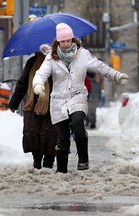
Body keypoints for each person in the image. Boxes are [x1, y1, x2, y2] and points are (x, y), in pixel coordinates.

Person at [33, 23, 129, 173]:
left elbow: (100, 67)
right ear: (58, 42)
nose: (65, 44)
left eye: (68, 40)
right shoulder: (51, 58)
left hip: (78, 95)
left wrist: (116, 75)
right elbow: (41, 73)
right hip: (59, 100)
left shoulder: (82, 54)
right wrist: (38, 84)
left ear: (72, 39)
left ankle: (83, 158)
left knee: (78, 123)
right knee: (63, 138)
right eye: (62, 41)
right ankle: (62, 169)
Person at [8, 44, 58, 169]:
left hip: (52, 105)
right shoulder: (32, 62)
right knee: (33, 133)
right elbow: (22, 83)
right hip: (33, 105)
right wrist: (14, 103)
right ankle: (36, 160)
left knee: (51, 135)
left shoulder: (57, 62)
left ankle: (48, 161)